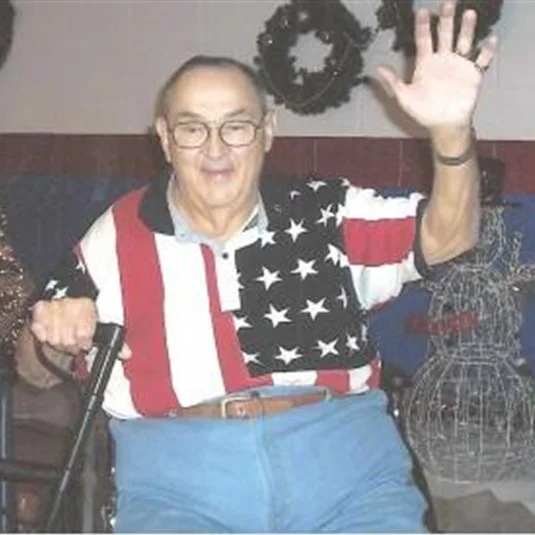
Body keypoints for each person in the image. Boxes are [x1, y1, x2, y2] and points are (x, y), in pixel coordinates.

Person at [20, 0, 498, 532]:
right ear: (164, 138)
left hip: (347, 481)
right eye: (192, 128)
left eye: (237, 126)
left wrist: (452, 133)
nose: (216, 149)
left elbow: (449, 237)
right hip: (180, 490)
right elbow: (34, 370)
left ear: (268, 131)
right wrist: (50, 335)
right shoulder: (116, 233)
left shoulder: (325, 211)